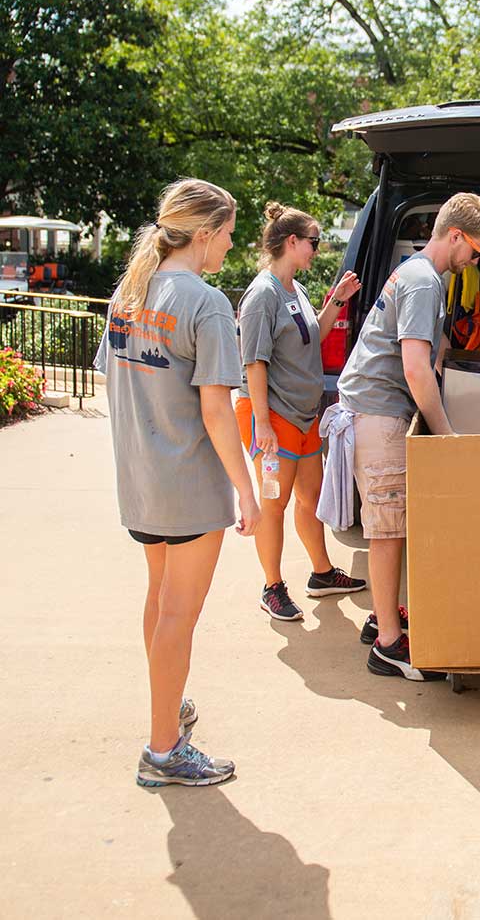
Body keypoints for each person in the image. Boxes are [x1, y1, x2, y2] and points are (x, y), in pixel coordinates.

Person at [95, 178, 261, 788]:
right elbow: (217, 410)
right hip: (187, 482)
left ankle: (169, 708)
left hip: (139, 479)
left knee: (161, 601)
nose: (229, 248)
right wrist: (246, 490)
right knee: (179, 615)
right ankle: (163, 749)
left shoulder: (128, 290)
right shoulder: (206, 302)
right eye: (228, 236)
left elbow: (114, 380)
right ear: (206, 233)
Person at [335, 193, 480, 681]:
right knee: (386, 532)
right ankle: (388, 645)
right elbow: (414, 366)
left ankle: (382, 615)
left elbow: (432, 348)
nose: (475, 260)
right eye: (474, 251)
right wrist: (446, 432)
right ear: (455, 236)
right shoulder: (424, 283)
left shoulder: (416, 273)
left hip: (377, 408)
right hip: (381, 413)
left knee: (394, 525)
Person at [235, 202, 366, 622]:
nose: (317, 249)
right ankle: (272, 587)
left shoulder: (295, 289)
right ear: (291, 242)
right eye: (313, 242)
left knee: (309, 498)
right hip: (274, 419)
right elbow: (254, 362)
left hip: (304, 416)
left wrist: (336, 301)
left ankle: (322, 573)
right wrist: (262, 424)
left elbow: (312, 337)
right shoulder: (262, 294)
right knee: (274, 503)